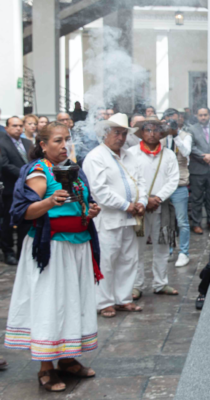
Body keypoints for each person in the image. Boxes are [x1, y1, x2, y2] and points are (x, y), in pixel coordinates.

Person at [5, 121, 102, 392]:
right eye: (57, 140)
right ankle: (45, 367)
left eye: (67, 139)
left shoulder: (74, 169)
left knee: (74, 301)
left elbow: (82, 205)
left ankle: (68, 358)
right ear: (43, 145)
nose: (64, 145)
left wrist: (90, 212)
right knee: (51, 303)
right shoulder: (38, 172)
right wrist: (49, 201)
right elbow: (21, 213)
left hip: (78, 248)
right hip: (52, 250)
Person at [83, 113, 147, 317]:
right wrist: (126, 205)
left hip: (130, 218)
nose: (121, 137)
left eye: (124, 133)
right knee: (107, 261)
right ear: (105, 133)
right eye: (116, 132)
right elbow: (98, 191)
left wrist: (142, 202)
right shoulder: (95, 157)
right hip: (108, 218)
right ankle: (104, 302)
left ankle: (124, 299)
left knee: (129, 259)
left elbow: (141, 182)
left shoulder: (130, 156)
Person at [129, 116, 179, 297]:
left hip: (162, 207)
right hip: (139, 208)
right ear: (141, 133)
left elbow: (174, 180)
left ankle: (161, 283)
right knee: (137, 249)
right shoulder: (132, 154)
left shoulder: (169, 154)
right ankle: (136, 285)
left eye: (155, 130)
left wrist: (157, 198)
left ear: (161, 133)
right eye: (147, 130)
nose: (151, 133)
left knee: (163, 247)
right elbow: (131, 179)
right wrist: (144, 199)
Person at [161, 108, 192, 267]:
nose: (171, 123)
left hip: (180, 184)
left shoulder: (185, 136)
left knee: (182, 221)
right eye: (168, 120)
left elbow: (186, 152)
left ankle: (184, 252)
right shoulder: (160, 137)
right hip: (163, 185)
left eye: (174, 120)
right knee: (166, 221)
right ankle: (169, 250)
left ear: (179, 120)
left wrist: (175, 135)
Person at [0, 117, 33, 264]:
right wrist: (25, 173)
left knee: (24, 221)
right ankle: (8, 252)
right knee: (8, 221)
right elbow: (5, 165)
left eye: (20, 125)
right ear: (6, 128)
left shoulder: (28, 143)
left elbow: (34, 161)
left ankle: (22, 252)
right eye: (14, 126)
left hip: (28, 189)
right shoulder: (2, 143)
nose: (18, 128)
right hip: (10, 188)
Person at [189, 107, 210, 235]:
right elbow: (191, 147)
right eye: (200, 115)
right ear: (196, 116)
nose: (203, 117)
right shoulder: (191, 129)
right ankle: (196, 223)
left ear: (209, 115)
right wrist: (205, 157)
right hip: (198, 169)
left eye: (205, 115)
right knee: (196, 198)